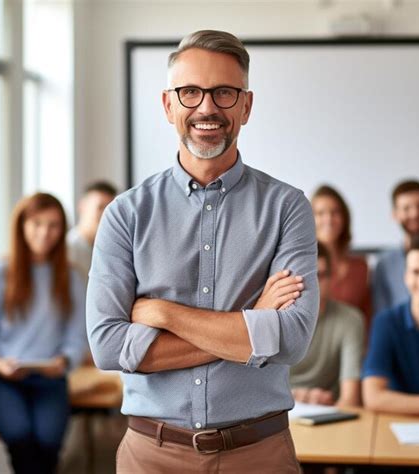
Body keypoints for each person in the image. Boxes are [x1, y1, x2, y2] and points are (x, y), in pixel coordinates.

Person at [87, 30, 318, 473]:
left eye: (224, 92)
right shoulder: (125, 214)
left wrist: (162, 313)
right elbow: (109, 347)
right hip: (150, 455)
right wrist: (250, 325)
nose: (207, 107)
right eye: (190, 92)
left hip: (259, 454)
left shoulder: (288, 207)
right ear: (168, 104)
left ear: (246, 106)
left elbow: (290, 338)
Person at [0, 192, 87, 474]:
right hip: (5, 382)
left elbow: (77, 335)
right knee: (21, 439)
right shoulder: (0, 273)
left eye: (53, 225)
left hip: (50, 381)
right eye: (37, 223)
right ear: (22, 226)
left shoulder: (70, 277)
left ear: (62, 230)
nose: (45, 233)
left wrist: (63, 361)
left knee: (48, 445)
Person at [363, 232, 419, 420]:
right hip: (397, 432)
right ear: (406, 277)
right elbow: (373, 397)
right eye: (416, 272)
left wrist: (416, 411)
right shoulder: (386, 322)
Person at [290, 243, 364, 407]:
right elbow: (258, 393)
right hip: (281, 415)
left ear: (333, 277)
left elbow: (350, 399)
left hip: (329, 412)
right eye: (306, 276)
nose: (313, 284)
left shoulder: (351, 320)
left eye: (321, 275)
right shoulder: (276, 318)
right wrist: (304, 396)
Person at [372, 179, 419, 313]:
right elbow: (381, 312)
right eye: (406, 208)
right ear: (395, 214)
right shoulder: (384, 264)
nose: (414, 214)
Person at [312, 185, 371, 325]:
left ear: (344, 218)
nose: (329, 219)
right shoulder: (300, 266)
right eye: (320, 213)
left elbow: (368, 315)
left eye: (335, 212)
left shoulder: (360, 267)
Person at [67, 181, 117, 279]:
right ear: (82, 207)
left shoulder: (111, 250)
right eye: (100, 207)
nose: (106, 214)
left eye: (110, 209)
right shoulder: (68, 250)